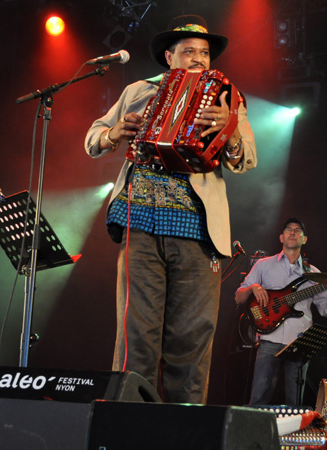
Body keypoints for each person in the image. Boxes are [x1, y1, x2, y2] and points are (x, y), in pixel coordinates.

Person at [85, 15, 257, 404]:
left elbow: (247, 159)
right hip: (141, 223)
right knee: (136, 336)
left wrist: (227, 129)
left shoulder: (228, 98)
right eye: (189, 52)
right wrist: (116, 133)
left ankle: (184, 431)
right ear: (169, 56)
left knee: (192, 339)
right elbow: (93, 138)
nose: (198, 59)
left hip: (198, 232)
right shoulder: (138, 91)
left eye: (204, 53)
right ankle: (127, 426)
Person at [235, 218, 327, 406]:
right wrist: (253, 286)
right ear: (281, 237)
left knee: (294, 402)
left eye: (298, 230)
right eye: (288, 229)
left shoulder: (314, 273)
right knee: (258, 400)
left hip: (299, 343)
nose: (292, 232)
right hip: (269, 338)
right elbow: (238, 297)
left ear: (305, 239)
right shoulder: (263, 265)